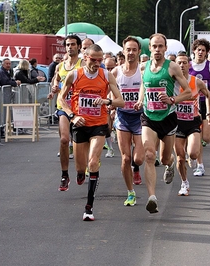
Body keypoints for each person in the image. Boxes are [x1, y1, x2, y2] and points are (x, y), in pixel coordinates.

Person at [59, 44, 124, 221]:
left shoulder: (106, 75)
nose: (97, 63)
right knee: (81, 168)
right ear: (85, 57)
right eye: (93, 59)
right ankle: (80, 174)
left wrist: (106, 101)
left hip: (99, 124)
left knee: (93, 162)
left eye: (100, 60)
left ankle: (89, 207)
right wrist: (72, 116)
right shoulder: (75, 74)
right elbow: (61, 98)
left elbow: (121, 101)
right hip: (80, 124)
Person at [133, 33, 192, 214]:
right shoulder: (143, 67)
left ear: (165, 48)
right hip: (149, 117)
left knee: (165, 158)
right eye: (154, 46)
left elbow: (188, 92)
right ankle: (152, 197)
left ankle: (171, 163)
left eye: (160, 46)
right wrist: (140, 99)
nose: (157, 50)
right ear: (149, 48)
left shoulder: (172, 67)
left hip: (168, 117)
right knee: (150, 155)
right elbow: (144, 84)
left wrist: (172, 99)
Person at [111, 36, 144, 206]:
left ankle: (136, 168)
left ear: (139, 52)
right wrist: (111, 104)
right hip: (123, 117)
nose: (131, 53)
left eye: (134, 50)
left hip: (140, 118)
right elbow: (110, 91)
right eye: (128, 50)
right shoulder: (116, 72)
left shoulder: (143, 70)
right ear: (123, 51)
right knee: (125, 158)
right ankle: (130, 192)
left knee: (137, 159)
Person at [174, 51, 210, 196]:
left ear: (189, 64)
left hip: (193, 122)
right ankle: (184, 183)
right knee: (179, 157)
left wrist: (208, 113)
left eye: (184, 62)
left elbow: (208, 95)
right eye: (179, 62)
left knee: (193, 153)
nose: (182, 65)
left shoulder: (196, 81)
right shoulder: (172, 82)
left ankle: (194, 159)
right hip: (177, 123)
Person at [49, 35, 83, 191]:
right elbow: (55, 80)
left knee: (79, 144)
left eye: (73, 44)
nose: (70, 47)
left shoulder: (83, 64)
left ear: (79, 46)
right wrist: (55, 87)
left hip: (80, 108)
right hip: (63, 106)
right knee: (64, 139)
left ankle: (81, 170)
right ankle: (64, 174)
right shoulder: (60, 66)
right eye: (68, 45)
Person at [188, 39, 210, 176]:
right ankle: (200, 165)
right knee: (197, 133)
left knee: (207, 136)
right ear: (194, 51)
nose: (200, 52)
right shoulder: (188, 66)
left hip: (208, 101)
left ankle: (197, 151)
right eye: (198, 50)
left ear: (206, 53)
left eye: (203, 50)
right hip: (192, 103)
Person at [0, 58, 22, 139]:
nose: (9, 65)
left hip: (6, 95)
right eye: (7, 64)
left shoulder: (6, 71)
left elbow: (9, 80)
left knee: (4, 114)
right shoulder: (1, 72)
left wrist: (14, 81)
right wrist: (15, 83)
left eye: (9, 64)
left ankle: (0, 130)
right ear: (3, 64)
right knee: (2, 114)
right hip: (2, 96)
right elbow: (5, 82)